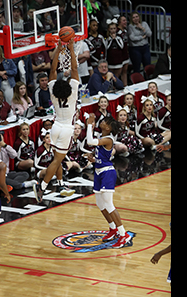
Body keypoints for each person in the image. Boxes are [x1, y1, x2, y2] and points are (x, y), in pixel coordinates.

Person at [33, 39, 80, 202]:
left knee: (56, 159)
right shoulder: (73, 92)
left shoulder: (52, 91)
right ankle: (42, 187)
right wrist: (71, 49)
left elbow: (53, 69)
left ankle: (60, 183)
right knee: (57, 160)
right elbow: (74, 68)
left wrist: (59, 49)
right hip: (67, 129)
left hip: (55, 127)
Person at [85, 114, 132, 248]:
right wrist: (94, 160)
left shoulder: (108, 139)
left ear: (109, 127)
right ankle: (113, 229)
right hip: (99, 171)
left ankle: (124, 235)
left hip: (107, 173)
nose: (102, 122)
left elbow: (90, 141)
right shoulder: (102, 137)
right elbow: (103, 156)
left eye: (105, 121)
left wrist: (89, 124)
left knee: (109, 204)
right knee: (100, 204)